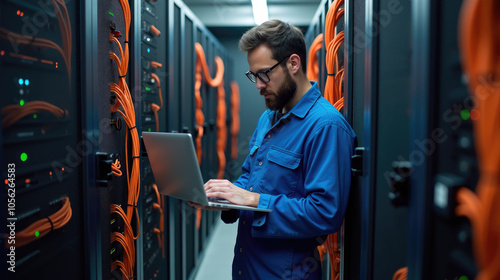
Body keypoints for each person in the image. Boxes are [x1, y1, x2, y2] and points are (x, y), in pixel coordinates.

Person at [189, 19, 356, 279]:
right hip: (248, 266)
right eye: (253, 75)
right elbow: (249, 176)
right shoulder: (268, 118)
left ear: (293, 63)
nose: (258, 85)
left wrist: (253, 200)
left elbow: (325, 213)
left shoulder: (326, 127)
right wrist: (226, 199)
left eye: (264, 74)